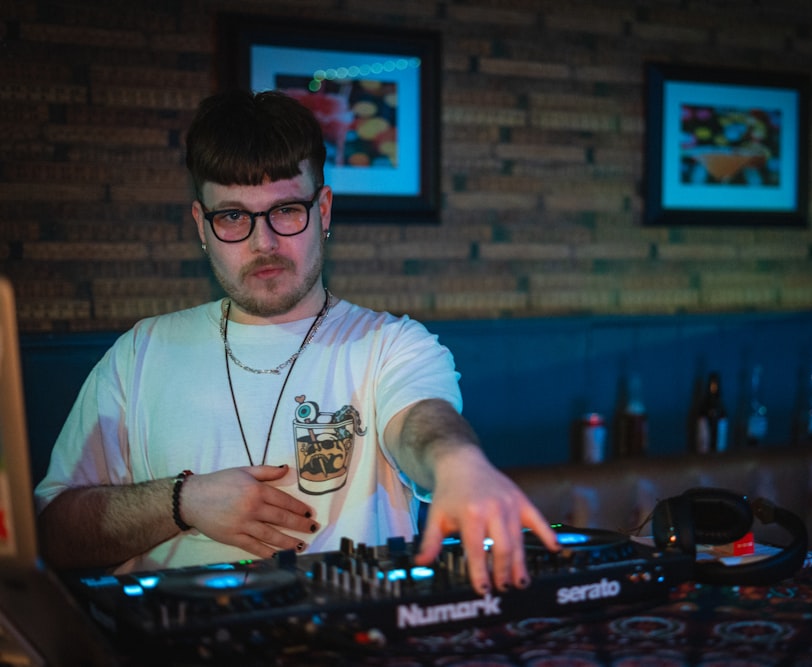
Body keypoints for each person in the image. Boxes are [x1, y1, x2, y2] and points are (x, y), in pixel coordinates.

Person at [34, 89, 558, 596]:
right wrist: (181, 500)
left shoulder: (391, 345)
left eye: (286, 210)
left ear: (323, 211)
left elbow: (422, 422)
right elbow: (54, 534)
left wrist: (457, 463)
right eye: (234, 216)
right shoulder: (139, 353)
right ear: (202, 225)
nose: (264, 243)